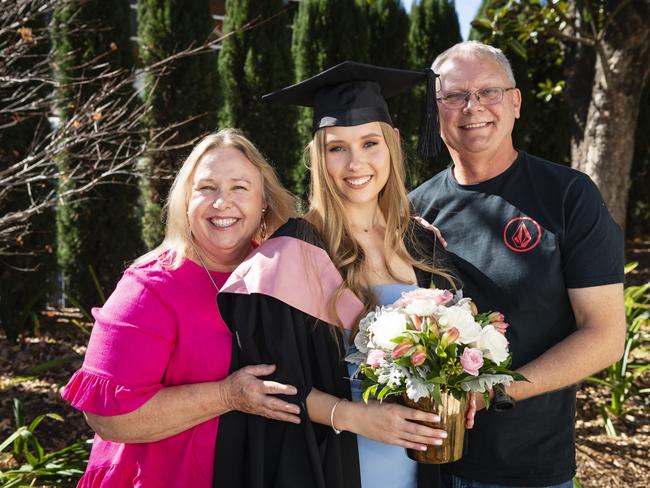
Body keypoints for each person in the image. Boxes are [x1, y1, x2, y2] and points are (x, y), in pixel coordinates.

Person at [213, 62, 473, 488]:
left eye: (370, 143)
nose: (356, 163)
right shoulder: (292, 249)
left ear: (391, 147)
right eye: (337, 148)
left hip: (421, 463)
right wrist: (352, 416)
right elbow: (272, 384)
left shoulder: (420, 244)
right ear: (319, 157)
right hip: (334, 463)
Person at [409, 41, 626, 488]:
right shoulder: (413, 209)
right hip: (419, 463)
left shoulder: (567, 196)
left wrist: (495, 390)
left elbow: (605, 335)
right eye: (454, 96)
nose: (473, 107)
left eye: (489, 91)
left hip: (524, 469)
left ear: (516, 102)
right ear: (436, 111)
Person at [61, 128, 299, 487]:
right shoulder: (149, 288)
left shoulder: (281, 273)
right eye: (207, 188)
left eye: (239, 187)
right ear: (186, 199)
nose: (222, 202)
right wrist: (226, 395)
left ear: (264, 201)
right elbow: (107, 418)